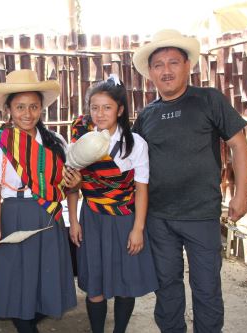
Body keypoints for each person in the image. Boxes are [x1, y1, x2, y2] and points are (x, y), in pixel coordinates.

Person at [131, 29, 247, 333]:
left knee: (206, 286)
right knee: (167, 285)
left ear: (188, 66)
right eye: (158, 65)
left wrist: (242, 194)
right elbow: (132, 165)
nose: (166, 70)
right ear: (151, 73)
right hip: (159, 217)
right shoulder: (147, 116)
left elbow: (239, 145)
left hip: (201, 213)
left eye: (174, 62)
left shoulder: (208, 100)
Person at [0, 69, 81, 333]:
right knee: (15, 282)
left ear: (41, 109)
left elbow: (71, 185)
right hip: (14, 216)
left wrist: (75, 191)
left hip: (49, 216)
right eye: (20, 107)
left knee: (43, 281)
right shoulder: (1, 143)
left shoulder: (55, 143)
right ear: (9, 109)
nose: (27, 114)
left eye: (34, 106)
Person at [67, 75, 159, 333]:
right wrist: (73, 221)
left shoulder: (136, 144)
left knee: (125, 281)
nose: (100, 113)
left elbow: (141, 189)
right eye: (94, 107)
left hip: (124, 219)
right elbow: (72, 187)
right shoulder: (82, 141)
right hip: (92, 218)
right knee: (95, 285)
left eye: (107, 107)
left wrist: (138, 228)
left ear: (120, 110)